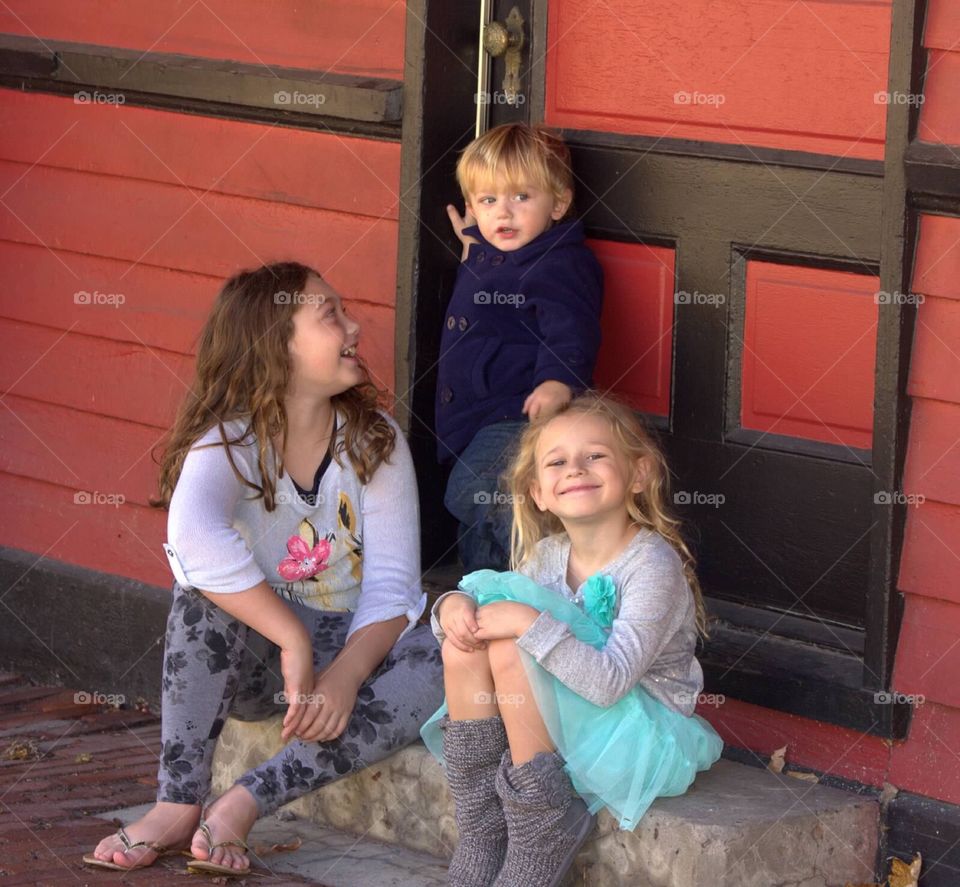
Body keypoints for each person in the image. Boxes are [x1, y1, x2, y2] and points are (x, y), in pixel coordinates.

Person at [84, 262, 443, 874]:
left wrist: (346, 676)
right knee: (199, 595)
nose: (353, 324)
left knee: (448, 650)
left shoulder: (374, 440)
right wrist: (291, 637)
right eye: (329, 315)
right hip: (260, 668)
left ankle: (247, 801)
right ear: (274, 347)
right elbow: (192, 537)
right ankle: (177, 802)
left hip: (355, 654)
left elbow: (393, 589)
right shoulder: (227, 445)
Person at [423, 393, 724, 887]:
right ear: (538, 492)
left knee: (512, 638)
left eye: (596, 455)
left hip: (638, 734)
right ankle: (482, 828)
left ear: (640, 473)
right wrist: (451, 609)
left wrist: (524, 622)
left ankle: (541, 828)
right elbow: (490, 621)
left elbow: (609, 684)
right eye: (557, 461)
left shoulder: (652, 565)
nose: (576, 469)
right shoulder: (546, 557)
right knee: (468, 640)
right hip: (566, 732)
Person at [437, 123, 603, 572]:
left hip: (519, 416)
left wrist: (558, 380)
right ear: (472, 207)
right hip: (476, 415)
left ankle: (536, 580)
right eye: (489, 201)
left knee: (474, 492)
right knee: (478, 524)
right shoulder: (494, 252)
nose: (503, 214)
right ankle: (484, 600)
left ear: (559, 203)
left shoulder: (560, 264)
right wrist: (474, 245)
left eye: (521, 198)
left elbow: (571, 328)